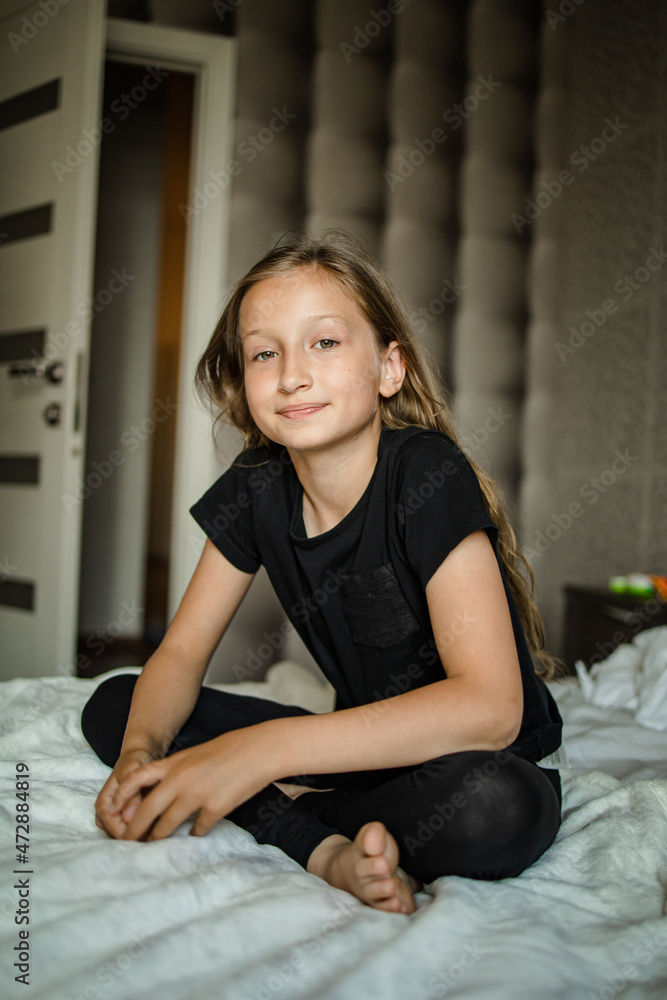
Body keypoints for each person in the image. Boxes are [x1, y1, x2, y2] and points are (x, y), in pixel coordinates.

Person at [81, 229, 563, 917]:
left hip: (469, 756)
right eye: (263, 352)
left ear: (388, 368)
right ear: (243, 382)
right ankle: (320, 845)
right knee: (116, 703)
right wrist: (138, 755)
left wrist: (260, 755)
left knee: (498, 809)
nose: (290, 374)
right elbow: (182, 652)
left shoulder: (424, 472)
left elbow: (489, 708)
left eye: (325, 342)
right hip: (358, 751)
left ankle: (297, 811)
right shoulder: (256, 486)